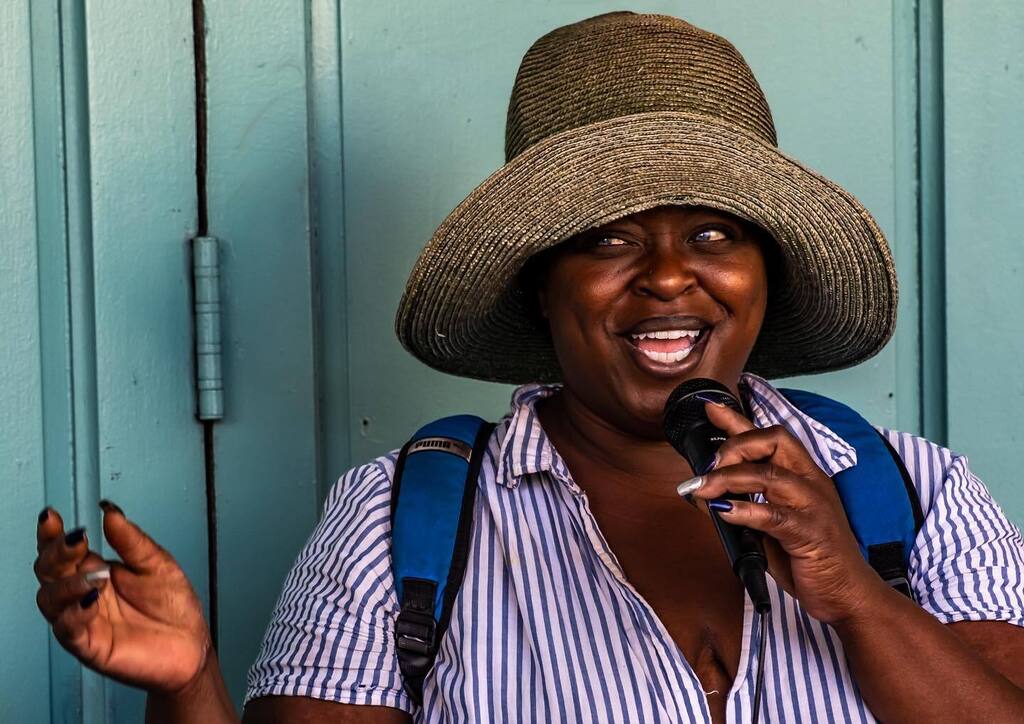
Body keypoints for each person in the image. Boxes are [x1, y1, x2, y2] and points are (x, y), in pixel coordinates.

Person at [32, 11, 1024, 724]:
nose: (669, 275)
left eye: (714, 231)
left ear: (766, 273)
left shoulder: (915, 493)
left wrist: (850, 588)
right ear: (539, 287)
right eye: (605, 240)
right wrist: (185, 685)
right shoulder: (396, 524)